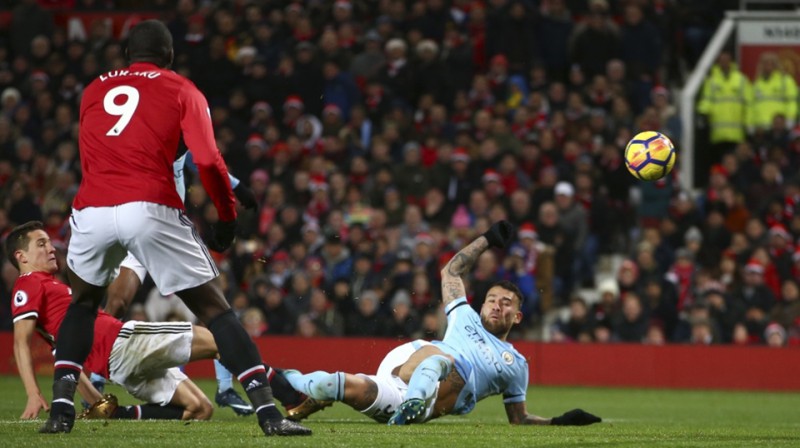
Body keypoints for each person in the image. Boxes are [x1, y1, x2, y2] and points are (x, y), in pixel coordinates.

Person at [39, 20, 309, 436]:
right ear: (169, 56)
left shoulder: (93, 90)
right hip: (149, 206)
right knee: (216, 312)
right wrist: (228, 217)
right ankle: (269, 415)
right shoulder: (182, 90)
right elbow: (207, 159)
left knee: (83, 306)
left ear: (127, 55)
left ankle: (61, 411)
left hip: (92, 208)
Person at [282, 220, 601, 426]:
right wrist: (487, 239)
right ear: (481, 304)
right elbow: (450, 272)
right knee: (445, 359)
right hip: (413, 361)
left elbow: (518, 419)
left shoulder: (516, 364)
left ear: (517, 317)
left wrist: (559, 422)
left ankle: (282, 381)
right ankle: (411, 404)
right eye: (491, 299)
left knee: (332, 384)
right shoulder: (464, 315)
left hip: (412, 396)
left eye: (506, 303)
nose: (496, 305)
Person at [8, 221, 316, 422]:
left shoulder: (50, 289)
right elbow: (20, 342)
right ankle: (292, 397)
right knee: (220, 339)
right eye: (41, 244)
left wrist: (95, 401)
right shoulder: (29, 284)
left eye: (49, 242)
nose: (51, 248)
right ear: (21, 256)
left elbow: (63, 353)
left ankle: (121, 416)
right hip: (124, 343)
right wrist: (33, 392)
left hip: (118, 368)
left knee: (200, 409)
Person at [101, 149, 258, 417]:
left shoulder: (169, 139)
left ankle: (225, 387)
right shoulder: (141, 140)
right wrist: (237, 188)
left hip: (166, 230)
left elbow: (201, 159)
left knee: (215, 311)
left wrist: (235, 185)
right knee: (115, 304)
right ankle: (95, 382)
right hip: (140, 226)